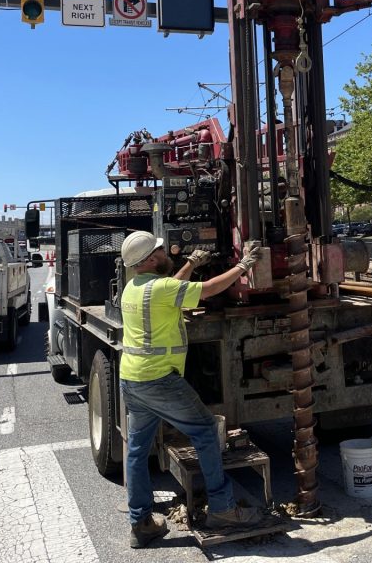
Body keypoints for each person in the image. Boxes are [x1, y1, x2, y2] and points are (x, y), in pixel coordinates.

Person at [118, 230, 264, 548]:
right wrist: (245, 265)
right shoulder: (162, 288)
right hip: (160, 381)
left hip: (132, 380)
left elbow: (174, 288)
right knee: (206, 431)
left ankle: (141, 523)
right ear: (153, 259)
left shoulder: (133, 287)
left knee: (138, 450)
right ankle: (223, 510)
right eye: (161, 251)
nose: (167, 255)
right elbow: (207, 290)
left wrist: (192, 263)